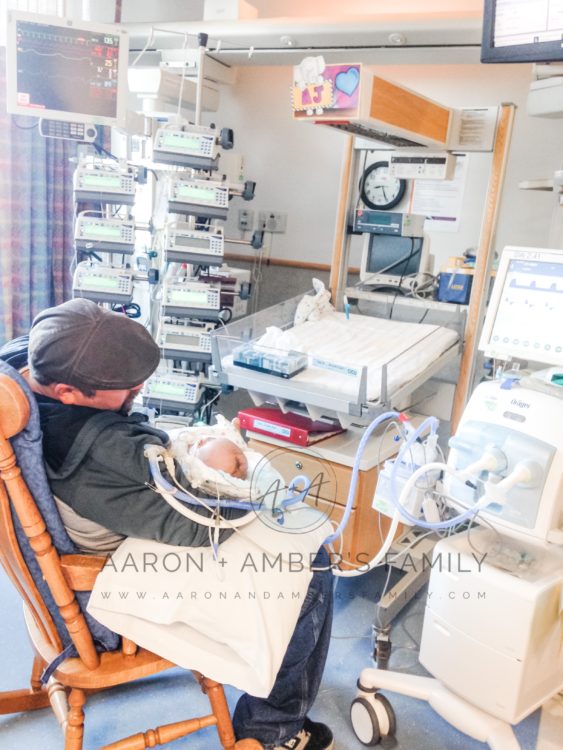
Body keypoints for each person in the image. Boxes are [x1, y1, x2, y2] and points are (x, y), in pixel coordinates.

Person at [0, 298, 334, 750]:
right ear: (67, 392)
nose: (138, 386)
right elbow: (201, 526)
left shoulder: (20, 361)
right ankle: (272, 730)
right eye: (124, 386)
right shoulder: (100, 451)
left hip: (60, 560)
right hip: (100, 580)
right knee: (311, 564)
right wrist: (213, 465)